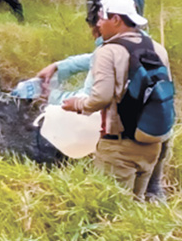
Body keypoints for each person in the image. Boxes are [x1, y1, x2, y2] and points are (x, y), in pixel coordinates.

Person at [61, 0, 170, 197]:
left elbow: (100, 98)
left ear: (116, 20)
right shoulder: (158, 48)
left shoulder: (108, 51)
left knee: (112, 210)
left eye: (102, 17)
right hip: (152, 143)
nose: (99, 24)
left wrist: (76, 104)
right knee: (136, 210)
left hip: (119, 146)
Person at [36, 37, 170, 202]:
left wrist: (52, 96)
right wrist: (60, 66)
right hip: (160, 128)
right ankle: (152, 195)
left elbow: (91, 99)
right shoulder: (144, 43)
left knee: (118, 198)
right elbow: (91, 59)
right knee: (149, 188)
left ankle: (131, 209)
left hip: (131, 138)